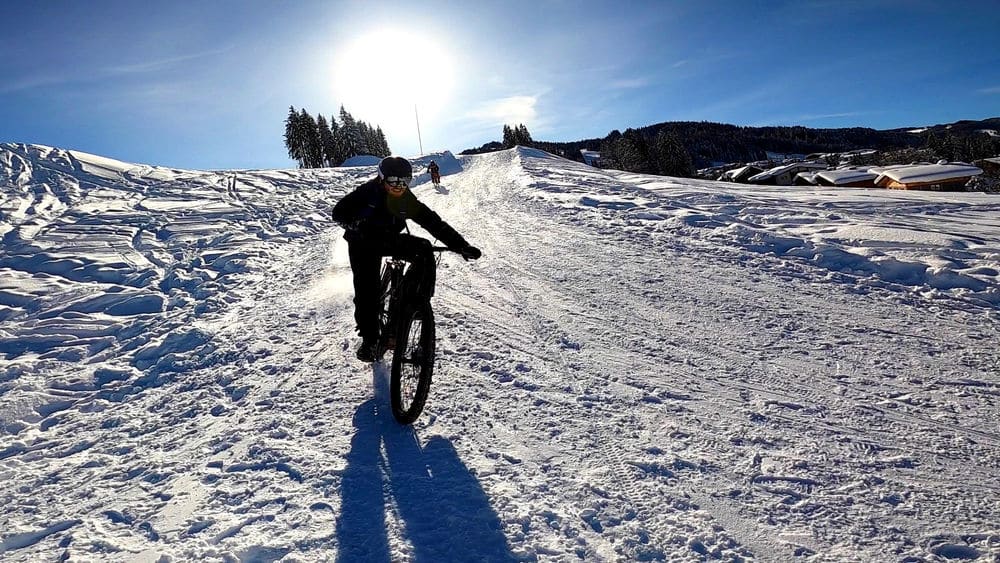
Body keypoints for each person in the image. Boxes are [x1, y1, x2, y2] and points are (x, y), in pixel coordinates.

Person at [331, 156, 482, 362]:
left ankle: (417, 302)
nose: (399, 186)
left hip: (389, 238)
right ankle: (370, 340)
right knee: (368, 290)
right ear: (382, 178)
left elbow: (432, 221)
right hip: (362, 243)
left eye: (405, 181)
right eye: (394, 181)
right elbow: (338, 212)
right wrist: (357, 226)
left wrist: (461, 245)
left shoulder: (405, 199)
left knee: (424, 249)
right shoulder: (367, 192)